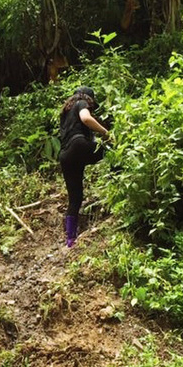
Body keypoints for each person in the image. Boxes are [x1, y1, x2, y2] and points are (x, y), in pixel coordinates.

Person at [58, 87, 110, 248]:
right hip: (78, 145)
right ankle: (118, 180)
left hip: (65, 155)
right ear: (88, 98)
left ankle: (70, 240)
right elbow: (86, 119)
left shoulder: (65, 113)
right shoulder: (81, 103)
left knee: (75, 198)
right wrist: (105, 132)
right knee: (112, 153)